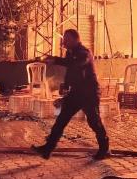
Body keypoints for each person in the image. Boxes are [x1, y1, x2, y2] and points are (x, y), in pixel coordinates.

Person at [31, 29, 110, 160]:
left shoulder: (84, 53)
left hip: (89, 93)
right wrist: (65, 93)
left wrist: (56, 60)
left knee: (94, 122)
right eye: (63, 39)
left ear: (75, 39)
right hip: (76, 93)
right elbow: (70, 71)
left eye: (66, 39)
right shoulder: (70, 53)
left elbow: (77, 64)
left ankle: (104, 147)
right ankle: (47, 149)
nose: (64, 42)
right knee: (61, 120)